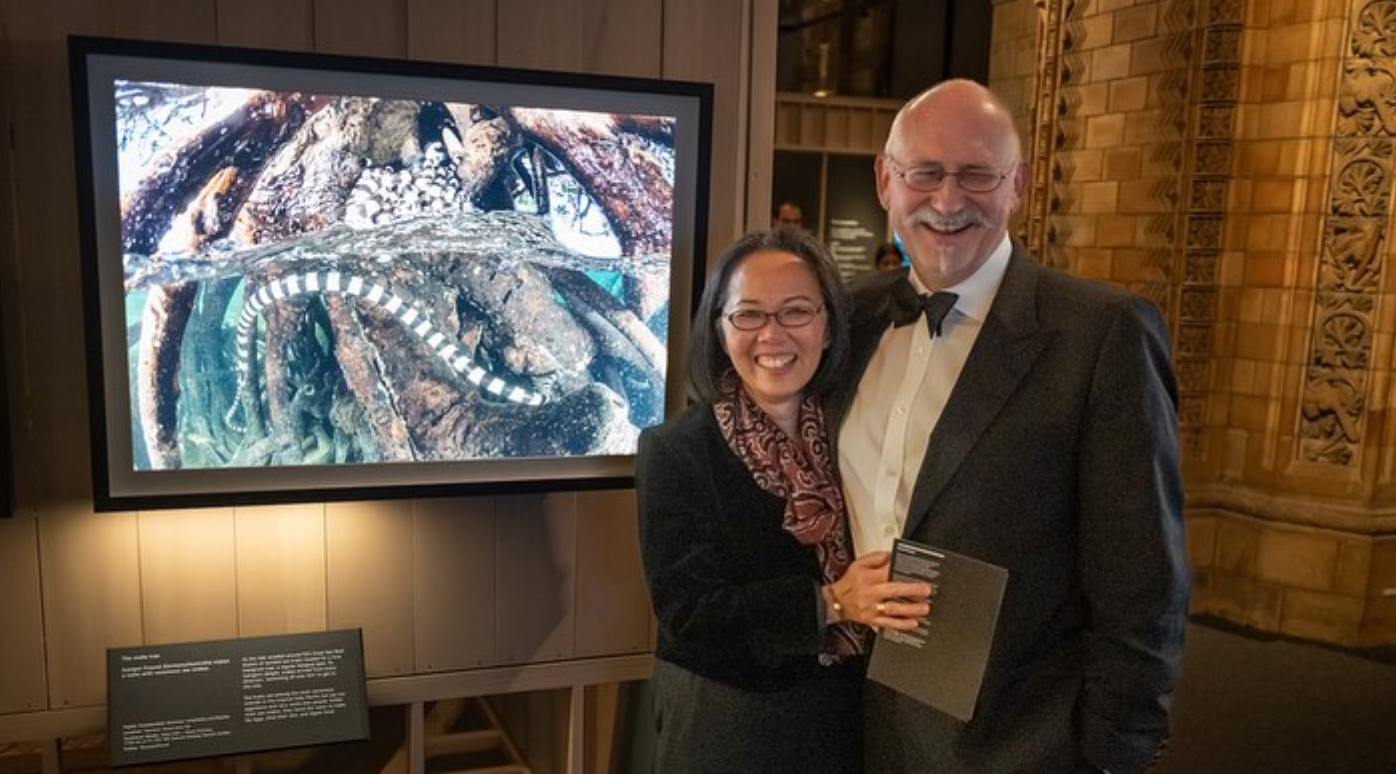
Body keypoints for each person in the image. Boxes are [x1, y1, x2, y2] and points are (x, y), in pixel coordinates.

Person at [833, 79, 1190, 774]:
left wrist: (1119, 752)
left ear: (1018, 185)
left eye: (977, 175)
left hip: (1018, 739)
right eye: (925, 173)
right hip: (851, 723)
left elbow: (1142, 578)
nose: (947, 200)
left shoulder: (1102, 335)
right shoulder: (850, 318)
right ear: (885, 180)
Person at [636, 229, 930, 774]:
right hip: (732, 726)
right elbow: (689, 616)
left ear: (828, 325)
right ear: (720, 329)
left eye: (797, 311)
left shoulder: (859, 431)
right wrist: (832, 603)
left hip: (853, 717)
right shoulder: (676, 450)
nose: (773, 335)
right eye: (748, 314)